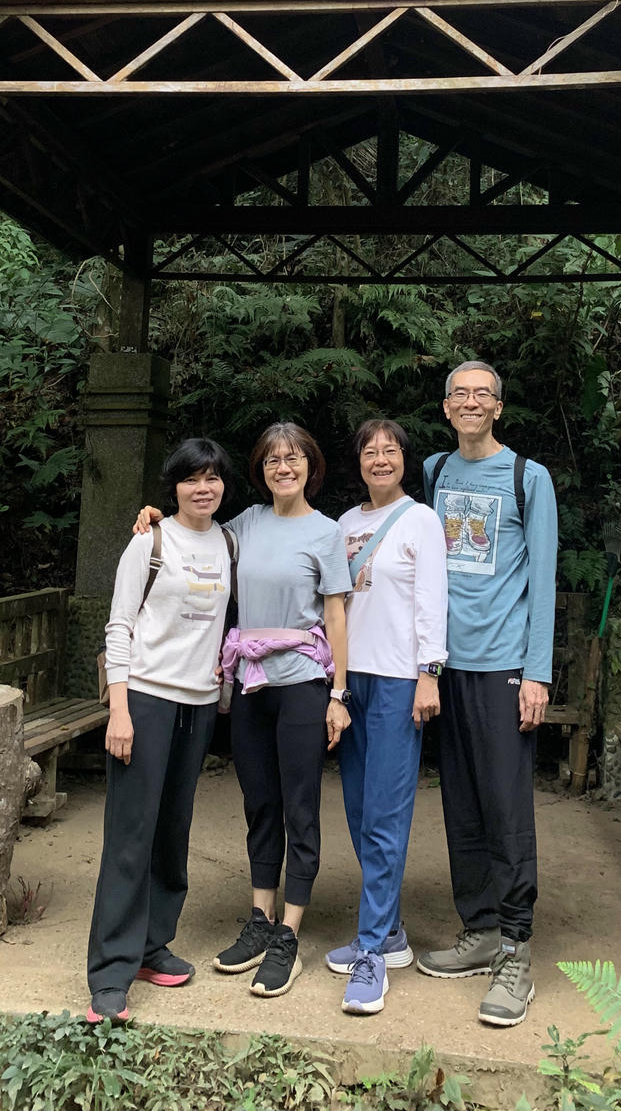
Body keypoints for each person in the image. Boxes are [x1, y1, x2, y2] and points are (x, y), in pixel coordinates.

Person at [134, 421, 351, 999]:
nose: (284, 468)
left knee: (300, 806)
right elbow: (194, 534)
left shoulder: (327, 533)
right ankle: (260, 918)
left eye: (294, 457)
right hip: (251, 685)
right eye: (273, 459)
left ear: (310, 466)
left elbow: (336, 615)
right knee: (260, 804)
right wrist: (156, 519)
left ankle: (289, 933)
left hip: (303, 682)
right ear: (260, 470)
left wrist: (339, 694)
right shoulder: (245, 525)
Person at [417, 361, 557, 1030]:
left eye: (483, 394)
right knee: (462, 805)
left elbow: (544, 580)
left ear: (499, 407)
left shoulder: (530, 478)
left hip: (504, 666)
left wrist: (538, 674)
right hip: (447, 667)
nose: (471, 402)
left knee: (506, 810)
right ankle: (478, 930)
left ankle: (515, 948)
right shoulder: (434, 472)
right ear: (446, 407)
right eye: (460, 394)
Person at [86, 437, 237, 1025]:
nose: (203, 488)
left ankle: (152, 946)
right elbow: (119, 625)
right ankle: (110, 974)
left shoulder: (229, 542)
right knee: (131, 834)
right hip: (145, 700)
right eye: (191, 478)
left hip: (198, 705)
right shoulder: (148, 542)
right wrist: (119, 710)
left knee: (173, 830)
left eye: (212, 477)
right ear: (173, 487)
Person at [325, 418, 448, 1016]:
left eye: (390, 450)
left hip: (402, 680)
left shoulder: (421, 520)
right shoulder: (345, 524)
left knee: (386, 814)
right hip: (352, 682)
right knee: (357, 807)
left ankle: (372, 949)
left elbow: (432, 599)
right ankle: (390, 931)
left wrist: (430, 672)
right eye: (370, 450)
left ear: (404, 460)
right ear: (359, 462)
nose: (380, 459)